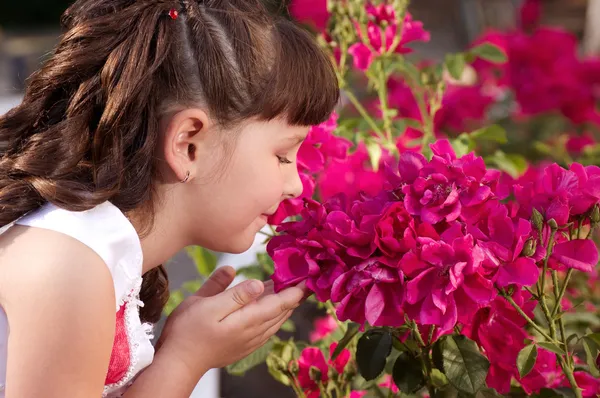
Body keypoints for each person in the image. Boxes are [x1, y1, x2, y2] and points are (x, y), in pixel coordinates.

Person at [0, 0, 339, 396]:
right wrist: (185, 358)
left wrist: (185, 349)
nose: (297, 185)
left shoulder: (95, 253)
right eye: (282, 155)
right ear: (187, 144)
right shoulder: (68, 266)